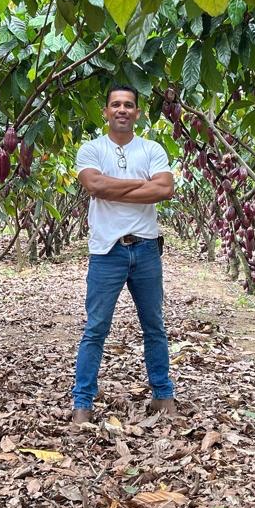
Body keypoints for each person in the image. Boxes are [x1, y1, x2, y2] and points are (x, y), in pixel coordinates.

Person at [71, 85, 176, 424]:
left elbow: (164, 190)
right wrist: (140, 187)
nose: (122, 110)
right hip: (107, 252)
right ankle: (82, 403)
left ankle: (163, 396)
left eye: (129, 105)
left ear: (138, 113)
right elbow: (95, 186)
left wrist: (113, 187)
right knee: (96, 329)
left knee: (154, 327)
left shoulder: (152, 149)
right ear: (106, 112)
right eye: (115, 104)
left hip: (146, 249)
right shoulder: (91, 149)